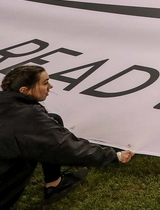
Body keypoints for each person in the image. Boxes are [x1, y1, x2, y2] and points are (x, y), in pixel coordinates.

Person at [0, 66, 134, 208]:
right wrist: (114, 156)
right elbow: (66, 147)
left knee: (53, 120)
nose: (50, 86)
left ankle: (55, 183)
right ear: (24, 90)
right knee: (45, 141)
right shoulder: (29, 118)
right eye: (45, 83)